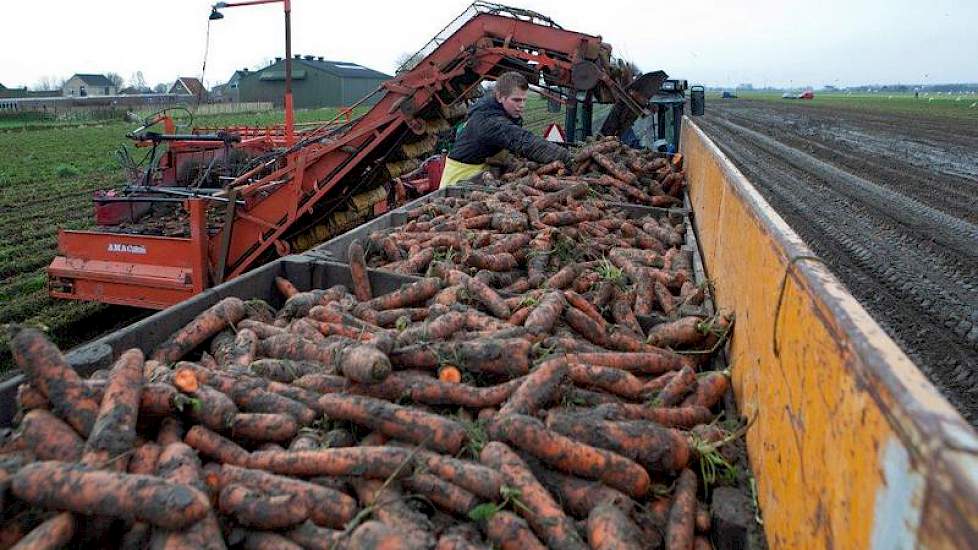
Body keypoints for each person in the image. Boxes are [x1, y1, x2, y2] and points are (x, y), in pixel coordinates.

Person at [439, 71, 571, 188]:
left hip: (481, 174)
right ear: (499, 96)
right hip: (459, 180)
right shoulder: (488, 120)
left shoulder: (502, 112)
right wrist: (567, 158)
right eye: (516, 100)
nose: (522, 106)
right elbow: (523, 141)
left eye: (524, 100)